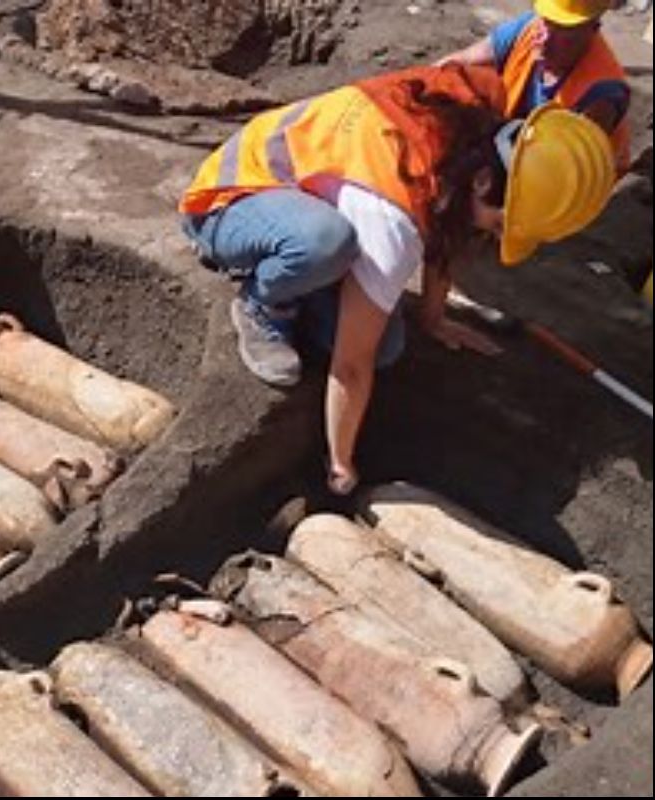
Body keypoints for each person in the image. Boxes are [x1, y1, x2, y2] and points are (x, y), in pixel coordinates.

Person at [179, 64, 615, 495]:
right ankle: (263, 303)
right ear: (484, 181)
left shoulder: (479, 117)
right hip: (230, 202)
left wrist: (433, 317)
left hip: (309, 195)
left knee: (386, 347)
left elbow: (451, 222)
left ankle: (305, 286)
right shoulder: (390, 222)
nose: (496, 235)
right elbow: (351, 367)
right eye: (501, 223)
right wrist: (340, 462)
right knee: (325, 245)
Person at [436, 0, 630, 171]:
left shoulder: (601, 93)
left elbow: (562, 170)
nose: (544, 41)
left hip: (568, 180)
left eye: (563, 34)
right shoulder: (528, 27)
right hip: (519, 140)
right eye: (546, 23)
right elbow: (459, 63)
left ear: (592, 30)